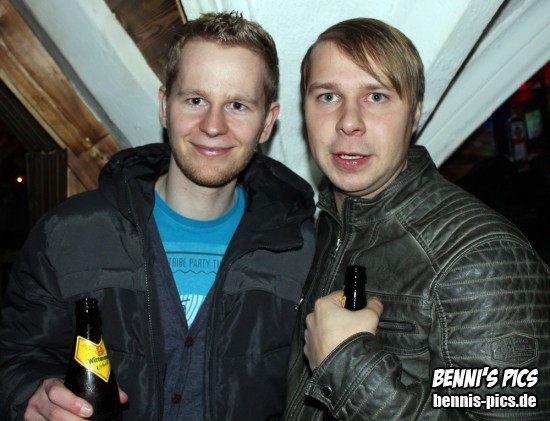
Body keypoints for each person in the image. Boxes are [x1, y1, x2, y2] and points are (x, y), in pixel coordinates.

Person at [0, 12, 316, 420]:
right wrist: (32, 392)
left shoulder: (303, 251)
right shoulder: (67, 234)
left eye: (237, 105)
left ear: (267, 122)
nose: (213, 126)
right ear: (165, 106)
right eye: (195, 100)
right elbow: (16, 355)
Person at [284, 17, 550, 420]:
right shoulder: (330, 225)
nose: (349, 121)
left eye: (376, 96)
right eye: (328, 96)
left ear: (415, 114)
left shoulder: (480, 258)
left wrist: (347, 366)